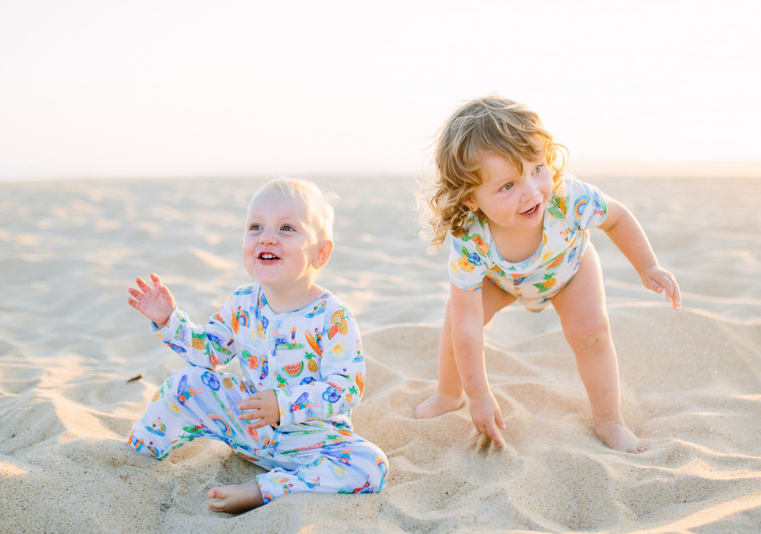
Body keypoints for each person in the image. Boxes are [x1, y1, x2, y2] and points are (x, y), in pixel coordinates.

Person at [414, 95, 681, 453]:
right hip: (504, 281)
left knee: (591, 334)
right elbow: (466, 327)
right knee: (456, 321)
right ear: (470, 199)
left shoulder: (568, 197)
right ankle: (449, 393)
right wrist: (480, 396)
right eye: (507, 186)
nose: (531, 193)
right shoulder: (470, 238)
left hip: (570, 268)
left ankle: (610, 422)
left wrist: (647, 265)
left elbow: (616, 218)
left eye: (536, 169)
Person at [126, 178, 388, 513]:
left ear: (320, 253)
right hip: (248, 427)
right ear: (244, 242)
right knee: (184, 383)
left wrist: (284, 404)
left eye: (287, 228)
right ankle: (136, 453)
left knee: (372, 465)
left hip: (312, 441)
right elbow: (209, 353)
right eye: (256, 227)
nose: (267, 237)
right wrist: (169, 322)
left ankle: (267, 488)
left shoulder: (332, 316)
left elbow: (347, 388)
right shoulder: (242, 302)